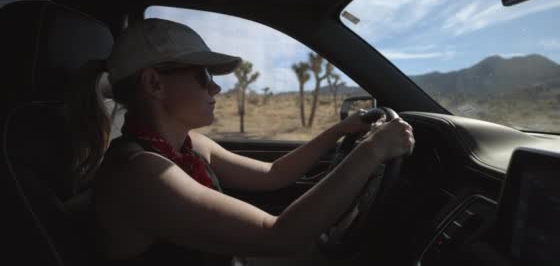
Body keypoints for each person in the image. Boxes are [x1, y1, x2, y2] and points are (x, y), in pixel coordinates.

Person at [67, 18, 415, 264]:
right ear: (155, 84)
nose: (216, 88)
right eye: (203, 77)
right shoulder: (140, 173)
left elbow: (273, 173)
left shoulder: (188, 146)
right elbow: (280, 236)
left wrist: (340, 131)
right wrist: (373, 150)